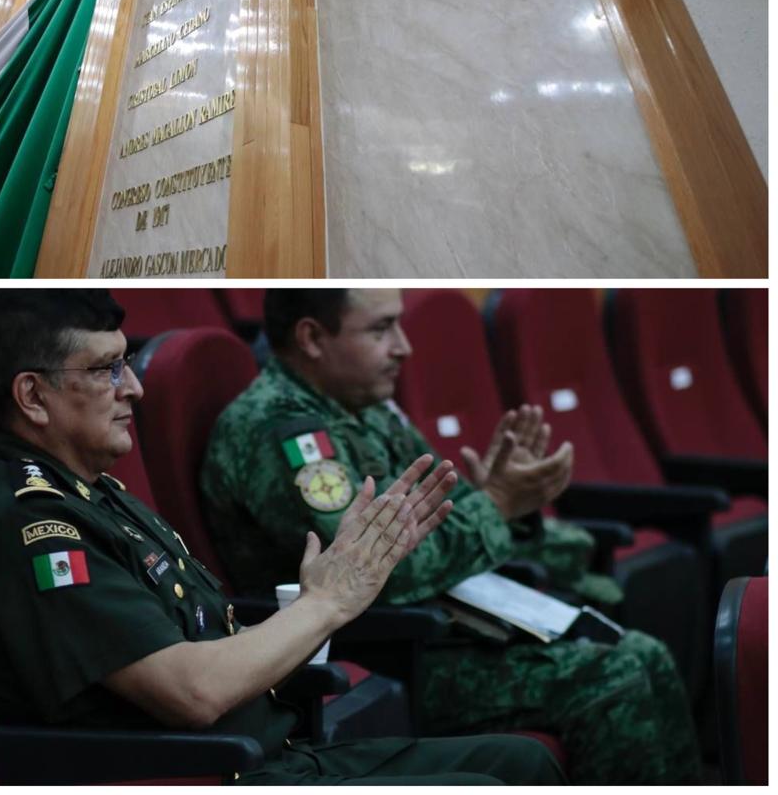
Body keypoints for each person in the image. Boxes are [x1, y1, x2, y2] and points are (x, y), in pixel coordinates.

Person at [0, 289, 566, 785]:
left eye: (126, 362)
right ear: (33, 395)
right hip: (198, 772)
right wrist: (326, 604)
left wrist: (326, 598)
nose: (134, 387)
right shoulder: (32, 526)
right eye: (105, 370)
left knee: (523, 765)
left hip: (269, 753)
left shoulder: (94, 492)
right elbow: (193, 690)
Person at [201, 289, 702, 784]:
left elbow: (443, 513)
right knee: (615, 679)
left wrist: (506, 500)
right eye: (380, 329)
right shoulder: (284, 432)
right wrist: (497, 504)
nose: (404, 346)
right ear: (311, 336)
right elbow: (383, 574)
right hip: (376, 652)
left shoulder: (364, 406)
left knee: (647, 654)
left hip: (447, 625)